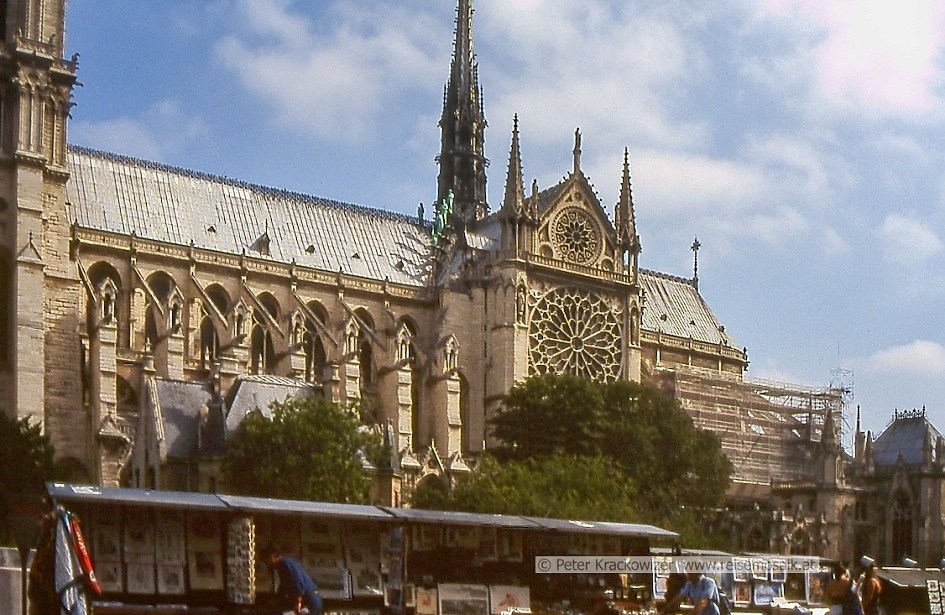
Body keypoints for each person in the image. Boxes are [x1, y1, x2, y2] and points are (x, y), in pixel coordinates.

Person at [262, 546, 323, 615]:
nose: (267, 565)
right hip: (309, 600)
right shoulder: (281, 567)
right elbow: (283, 586)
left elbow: (298, 582)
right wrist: (276, 600)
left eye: (266, 562)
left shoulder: (285, 564)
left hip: (308, 600)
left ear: (272, 557)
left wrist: (298, 602)